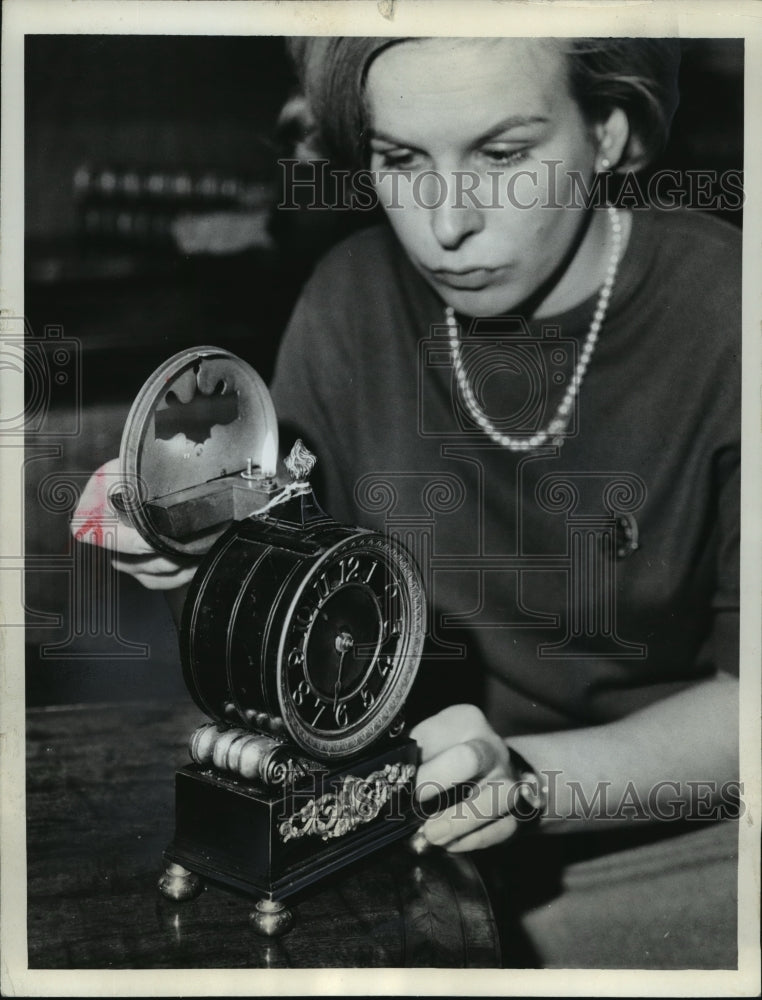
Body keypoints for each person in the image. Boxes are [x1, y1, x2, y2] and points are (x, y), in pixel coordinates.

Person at [73, 36, 741, 968]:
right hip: (395, 830)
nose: (445, 224)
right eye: (401, 161)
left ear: (611, 132)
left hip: (670, 842)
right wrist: (195, 546)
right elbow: (301, 614)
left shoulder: (730, 315)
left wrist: (532, 783)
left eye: (503, 155)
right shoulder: (348, 298)